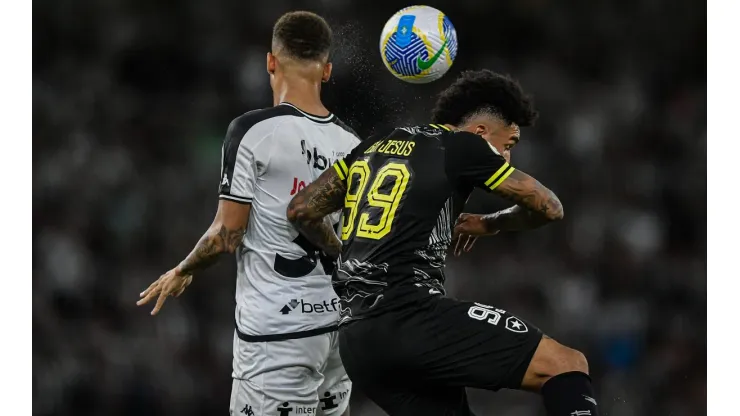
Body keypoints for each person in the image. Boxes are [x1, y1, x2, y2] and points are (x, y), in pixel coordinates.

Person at [286, 69, 600, 416]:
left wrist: (346, 257)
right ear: (481, 132)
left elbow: (301, 210)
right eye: (508, 145)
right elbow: (549, 207)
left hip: (358, 342)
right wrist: (489, 223)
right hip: (410, 315)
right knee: (566, 363)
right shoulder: (462, 145)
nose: (507, 157)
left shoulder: (373, 147)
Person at [137, 11, 358, 416]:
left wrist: (182, 269)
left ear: (270, 62)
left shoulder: (254, 130)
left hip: (277, 334)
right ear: (326, 71)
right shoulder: (353, 144)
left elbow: (227, 234)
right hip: (337, 332)